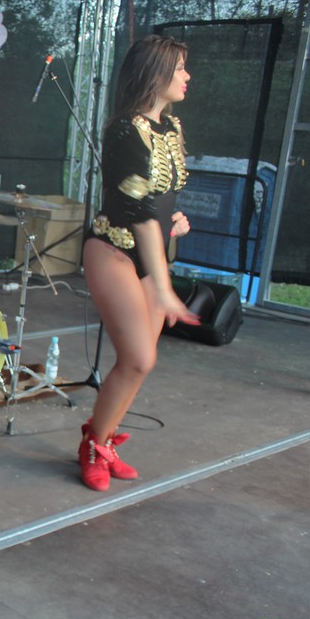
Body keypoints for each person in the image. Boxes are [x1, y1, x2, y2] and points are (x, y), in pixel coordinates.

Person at [79, 35, 199, 491]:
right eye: (180, 67)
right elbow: (139, 212)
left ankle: (102, 438)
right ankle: (93, 446)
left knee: (139, 364)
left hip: (154, 252)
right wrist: (163, 287)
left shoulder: (171, 127)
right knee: (139, 355)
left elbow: (161, 199)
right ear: (156, 72)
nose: (187, 76)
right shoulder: (124, 130)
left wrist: (176, 219)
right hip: (114, 248)